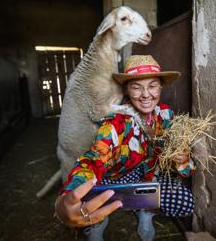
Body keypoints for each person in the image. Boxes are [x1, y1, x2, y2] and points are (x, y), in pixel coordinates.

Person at [55, 55, 196, 241]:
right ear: (127, 90)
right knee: (87, 198)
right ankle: (96, 222)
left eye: (152, 86)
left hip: (144, 177)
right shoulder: (116, 122)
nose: (146, 95)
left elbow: (185, 169)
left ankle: (146, 210)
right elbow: (94, 160)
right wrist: (65, 198)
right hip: (113, 180)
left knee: (185, 201)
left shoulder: (166, 115)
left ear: (161, 86)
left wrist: (183, 161)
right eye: (137, 87)